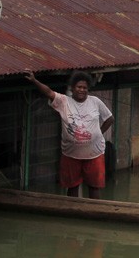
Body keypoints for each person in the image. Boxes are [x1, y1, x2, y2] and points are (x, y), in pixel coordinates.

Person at [25, 69, 114, 199]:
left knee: (94, 187)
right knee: (72, 186)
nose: (81, 90)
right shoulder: (64, 101)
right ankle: (73, 211)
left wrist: (98, 133)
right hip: (71, 154)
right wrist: (34, 80)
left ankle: (94, 212)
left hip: (95, 154)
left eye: (84, 87)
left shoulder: (95, 101)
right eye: (79, 87)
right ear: (72, 88)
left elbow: (110, 119)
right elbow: (48, 92)